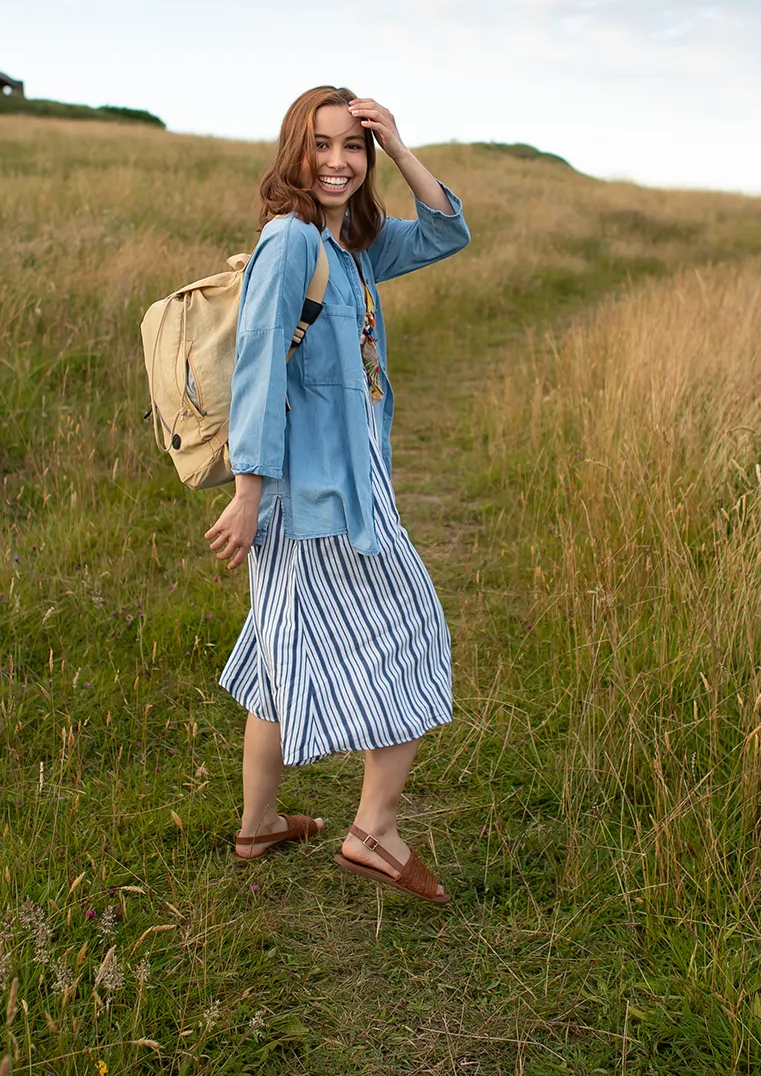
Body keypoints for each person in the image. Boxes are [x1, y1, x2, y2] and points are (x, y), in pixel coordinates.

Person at [206, 85, 470, 905]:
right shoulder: (289, 243)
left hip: (340, 483)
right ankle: (374, 832)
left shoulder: (353, 245)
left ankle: (257, 826)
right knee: (413, 631)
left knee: (280, 651)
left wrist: (397, 139)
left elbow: (445, 230)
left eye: (352, 147)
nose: (336, 161)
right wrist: (249, 492)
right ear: (296, 151)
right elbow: (257, 370)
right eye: (321, 145)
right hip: (314, 496)